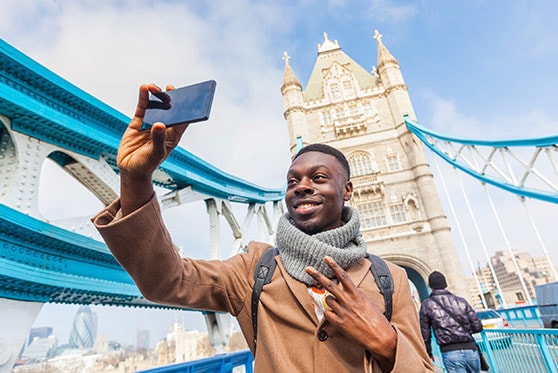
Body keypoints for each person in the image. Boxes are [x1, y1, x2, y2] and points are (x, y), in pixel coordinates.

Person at [92, 83, 433, 372]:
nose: (301, 186)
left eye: (318, 178)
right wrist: (135, 179)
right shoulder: (254, 270)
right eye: (292, 181)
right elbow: (166, 281)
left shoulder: (390, 279)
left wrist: (388, 344)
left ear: (347, 190)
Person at [419, 271, 483, 373]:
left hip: (450, 352)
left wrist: (428, 352)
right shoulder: (461, 301)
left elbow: (425, 334)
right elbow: (478, 327)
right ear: (445, 284)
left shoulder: (427, 305)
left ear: (431, 286)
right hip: (471, 350)